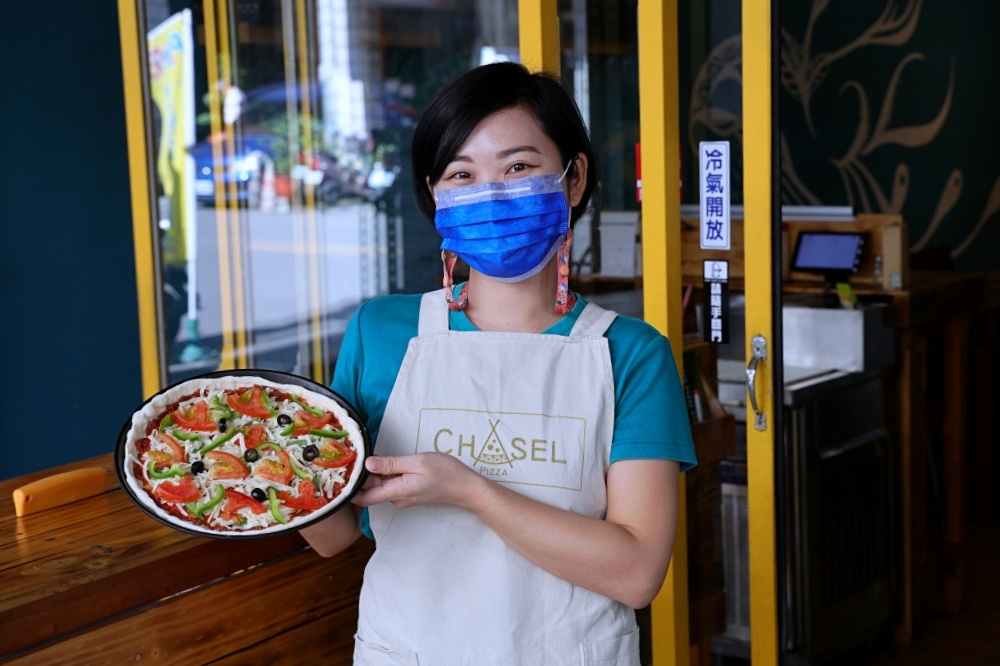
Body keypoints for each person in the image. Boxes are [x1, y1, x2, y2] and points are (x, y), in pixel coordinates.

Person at [301, 61, 697, 665]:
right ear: (435, 194)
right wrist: (268, 465)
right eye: (462, 174)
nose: (489, 193)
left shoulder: (631, 354)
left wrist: (469, 490)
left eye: (518, 167)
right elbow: (332, 536)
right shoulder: (380, 331)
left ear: (572, 178)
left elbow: (638, 572)